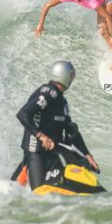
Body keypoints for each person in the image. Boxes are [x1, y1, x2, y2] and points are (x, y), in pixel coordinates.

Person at [15, 60, 99, 190]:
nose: (72, 80)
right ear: (63, 76)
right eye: (71, 76)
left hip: (51, 153)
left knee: (62, 186)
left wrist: (87, 154)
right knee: (40, 193)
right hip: (35, 152)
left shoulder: (61, 101)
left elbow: (71, 131)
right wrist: (41, 136)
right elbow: (23, 114)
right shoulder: (48, 93)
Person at [34, 0, 112, 66]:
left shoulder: (89, 0)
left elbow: (107, 17)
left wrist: (111, 36)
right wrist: (40, 24)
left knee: (105, 31)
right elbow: (47, 5)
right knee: (101, 29)